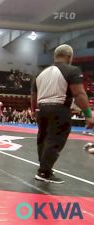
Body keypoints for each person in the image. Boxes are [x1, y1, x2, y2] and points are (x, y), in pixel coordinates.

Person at [31, 44, 94, 184]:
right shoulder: (72, 70)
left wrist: (33, 110)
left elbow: (33, 95)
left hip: (41, 109)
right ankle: (44, 172)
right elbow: (78, 93)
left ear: (55, 56)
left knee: (43, 139)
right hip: (59, 108)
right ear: (69, 57)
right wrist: (88, 114)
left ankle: (43, 168)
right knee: (55, 140)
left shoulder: (41, 73)